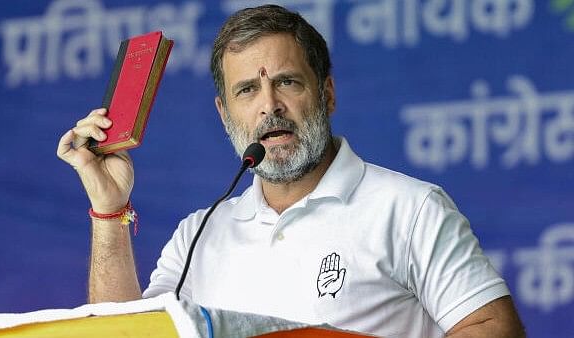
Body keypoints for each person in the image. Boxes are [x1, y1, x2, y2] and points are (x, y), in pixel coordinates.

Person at [57, 4, 525, 338]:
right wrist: (109, 210)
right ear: (225, 114)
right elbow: (126, 335)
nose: (269, 106)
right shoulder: (199, 232)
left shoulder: (410, 208)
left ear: (328, 94)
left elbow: (492, 327)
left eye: (286, 81)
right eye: (246, 91)